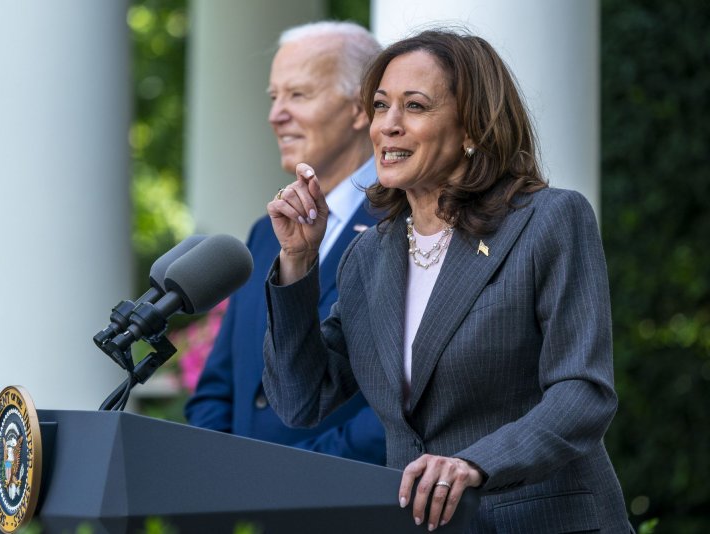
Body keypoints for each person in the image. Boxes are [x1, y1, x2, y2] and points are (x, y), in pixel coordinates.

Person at [263, 29, 633, 532]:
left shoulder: (549, 220)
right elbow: (302, 401)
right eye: (380, 106)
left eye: (414, 106)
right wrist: (298, 263)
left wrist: (477, 463)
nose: (387, 126)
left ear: (472, 128)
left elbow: (583, 393)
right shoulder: (367, 255)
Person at [185, 21, 386, 465]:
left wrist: (284, 475)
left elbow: (401, 409)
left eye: (298, 95)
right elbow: (218, 389)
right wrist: (220, 476)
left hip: (346, 499)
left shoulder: (407, 224)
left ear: (359, 109)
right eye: (274, 97)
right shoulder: (263, 236)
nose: (276, 114)